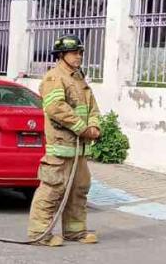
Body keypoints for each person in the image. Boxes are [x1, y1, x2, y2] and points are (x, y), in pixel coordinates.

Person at [27, 35, 101, 246]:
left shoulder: (78, 78)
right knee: (52, 189)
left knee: (79, 190)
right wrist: (83, 128)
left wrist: (95, 125)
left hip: (79, 150)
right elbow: (55, 107)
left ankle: (75, 231)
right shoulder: (54, 78)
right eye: (74, 52)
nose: (79, 56)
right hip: (61, 147)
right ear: (61, 55)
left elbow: (92, 108)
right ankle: (39, 234)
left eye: (80, 52)